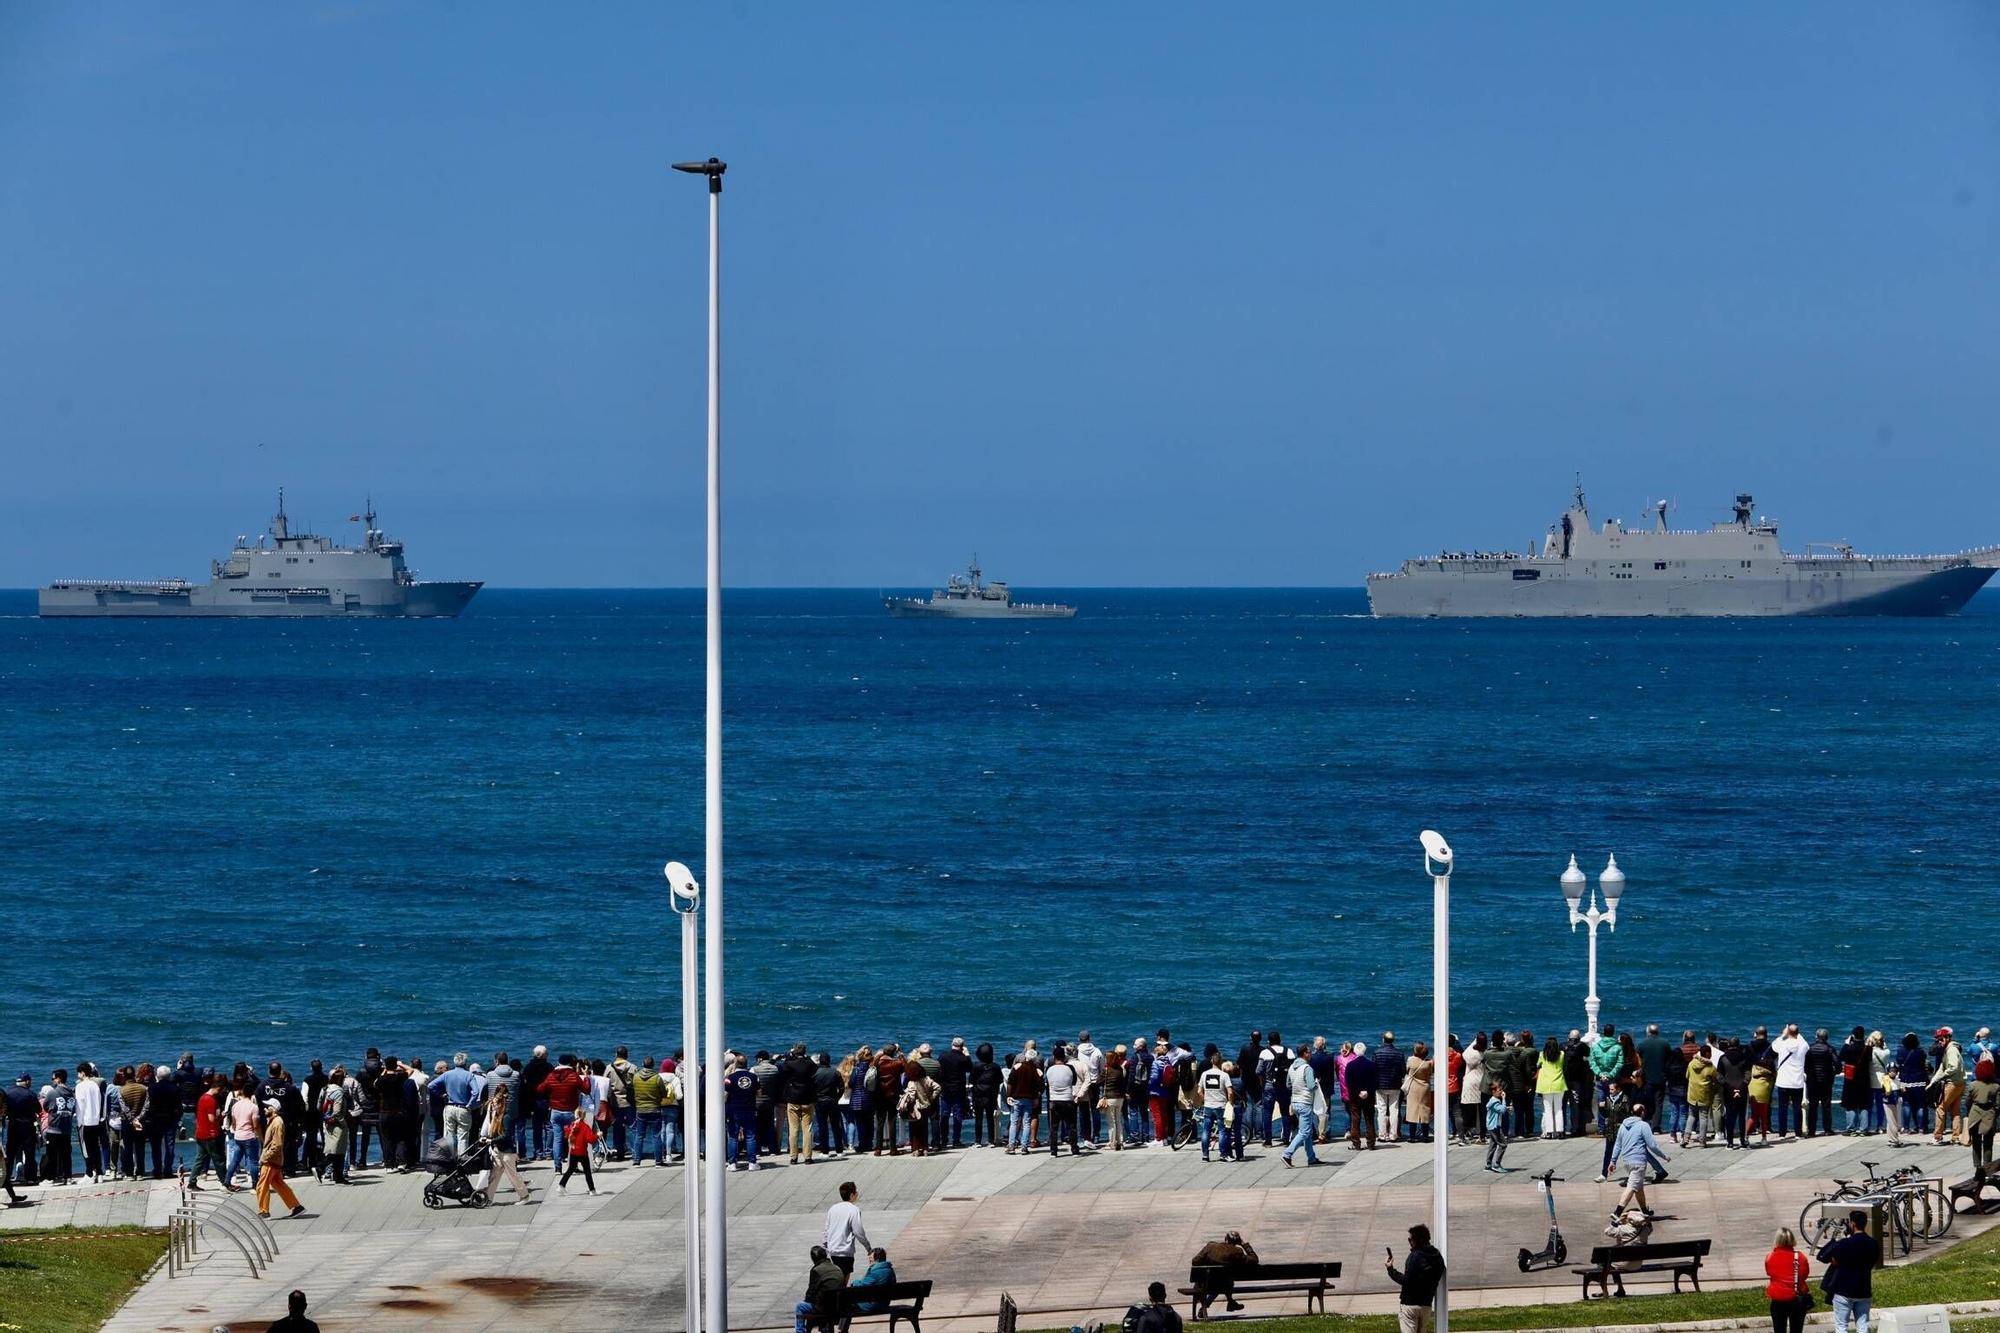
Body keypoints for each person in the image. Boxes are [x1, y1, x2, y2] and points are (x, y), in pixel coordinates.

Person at [1815, 1209, 1881, 1333]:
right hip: (1863, 1290)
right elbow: (1873, 1262)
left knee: (1841, 1326)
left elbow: (1830, 1259)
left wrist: (1837, 1240)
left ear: (1852, 1224)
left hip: (1843, 1291)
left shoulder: (1845, 1244)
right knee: (1863, 1325)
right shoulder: (1873, 1244)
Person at [1611, 1103, 1669, 1217]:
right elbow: (1652, 1145)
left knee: (1639, 1187)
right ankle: (1617, 1212)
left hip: (1627, 1161)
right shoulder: (1643, 1125)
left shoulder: (1623, 1125)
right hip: (1638, 1161)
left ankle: (1644, 1210)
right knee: (1632, 1187)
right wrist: (1663, 1156)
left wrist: (1613, 1161)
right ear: (1642, 1112)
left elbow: (1618, 1145)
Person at [1387, 1223, 1446, 1333]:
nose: (1409, 1242)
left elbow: (1406, 1281)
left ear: (1416, 1240)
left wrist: (1391, 1270)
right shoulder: (1436, 1255)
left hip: (1410, 1305)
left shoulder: (1414, 1256)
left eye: (1410, 1240)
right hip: (1426, 1305)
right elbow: (1440, 1271)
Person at [1189, 1230, 1258, 1318]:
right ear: (1237, 1242)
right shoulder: (1237, 1252)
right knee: (1222, 1281)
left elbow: (1195, 1261)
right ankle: (1230, 1302)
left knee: (1216, 1281)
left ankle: (1210, 1306)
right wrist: (1244, 1244)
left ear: (1225, 1239)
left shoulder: (1210, 1247)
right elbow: (1254, 1259)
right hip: (1225, 1285)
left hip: (1205, 1285)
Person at [256, 1100, 306, 1220]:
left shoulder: (277, 1122)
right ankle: (296, 1206)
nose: (264, 1109)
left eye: (267, 1107)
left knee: (262, 1185)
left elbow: (277, 1144)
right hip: (275, 1159)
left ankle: (264, 1211)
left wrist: (265, 1156)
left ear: (274, 1108)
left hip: (271, 1159)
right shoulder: (273, 1121)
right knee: (278, 1184)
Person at [483, 1085, 532, 1205]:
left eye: (494, 1104)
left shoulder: (506, 1117)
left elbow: (506, 1135)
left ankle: (524, 1196)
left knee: (512, 1175)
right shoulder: (499, 1117)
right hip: (499, 1150)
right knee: (494, 1175)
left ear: (500, 1104)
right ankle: (488, 1198)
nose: (493, 1107)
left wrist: (491, 1141)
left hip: (507, 1151)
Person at [1765, 1226, 1813, 1333]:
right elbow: (1805, 1274)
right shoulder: (1800, 1257)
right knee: (1797, 1329)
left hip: (1778, 1299)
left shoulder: (1770, 1257)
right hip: (1797, 1298)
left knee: (1779, 1329)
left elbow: (1769, 1272)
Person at [794, 1244, 845, 1333]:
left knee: (800, 1306)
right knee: (823, 1303)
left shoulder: (816, 1270)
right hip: (837, 1307)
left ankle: (800, 1331)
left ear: (813, 1259)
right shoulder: (837, 1268)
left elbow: (810, 1293)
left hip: (822, 1307)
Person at [823, 1180, 871, 1277]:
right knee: (844, 1278)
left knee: (837, 1276)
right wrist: (868, 1247)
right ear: (852, 1195)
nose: (857, 1194)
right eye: (856, 1192)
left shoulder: (833, 1208)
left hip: (833, 1250)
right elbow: (858, 1232)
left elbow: (826, 1229)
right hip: (845, 1251)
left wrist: (825, 1246)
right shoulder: (854, 1210)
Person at [1929, 1028, 1966, 1146]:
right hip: (1960, 1083)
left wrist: (1942, 1076)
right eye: (1938, 1040)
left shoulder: (1951, 1050)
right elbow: (1941, 1067)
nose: (1939, 1042)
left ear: (1948, 1038)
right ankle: (1955, 1137)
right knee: (1955, 1111)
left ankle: (1938, 1136)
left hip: (1952, 1084)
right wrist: (1933, 1081)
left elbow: (1952, 1067)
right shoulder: (1951, 1049)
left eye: (1941, 1039)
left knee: (1940, 1108)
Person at [1770, 1024, 1808, 1140]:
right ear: (1798, 1033)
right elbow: (1805, 1043)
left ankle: (1782, 1133)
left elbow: (1773, 1045)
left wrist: (1784, 1034)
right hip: (1797, 1081)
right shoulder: (1803, 1045)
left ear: (1788, 1033)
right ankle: (1798, 1133)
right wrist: (1795, 1032)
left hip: (1783, 1081)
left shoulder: (1782, 1044)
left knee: (1783, 1108)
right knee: (1797, 1108)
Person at [724, 1052, 761, 1170]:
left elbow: (725, 1095)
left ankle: (732, 1163)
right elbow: (759, 1092)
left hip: (734, 1109)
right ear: (746, 1064)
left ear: (736, 1064)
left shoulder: (730, 1078)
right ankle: (752, 1162)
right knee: (750, 1136)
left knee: (733, 1136)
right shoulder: (754, 1077)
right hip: (750, 1108)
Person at [1282, 1052, 1319, 1167]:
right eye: (1309, 1052)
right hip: (1305, 1102)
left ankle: (1311, 1157)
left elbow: (1288, 1085)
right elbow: (1311, 1086)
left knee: (1307, 1131)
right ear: (1305, 1054)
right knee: (1304, 1132)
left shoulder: (1292, 1068)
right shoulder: (1307, 1068)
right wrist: (1317, 1084)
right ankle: (1287, 1154)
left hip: (1295, 1102)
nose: (1311, 1053)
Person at [41, 1071, 76, 1186]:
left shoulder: (53, 1092)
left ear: (59, 1079)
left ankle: (50, 1178)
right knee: (66, 1155)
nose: (52, 1081)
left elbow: (45, 1107)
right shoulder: (71, 1092)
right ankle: (68, 1177)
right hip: (66, 1128)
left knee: (52, 1155)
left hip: (54, 1128)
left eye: (53, 1078)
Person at [74, 1062, 107, 1185]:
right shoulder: (95, 1085)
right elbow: (100, 1102)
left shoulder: (80, 1086)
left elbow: (80, 1106)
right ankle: (99, 1173)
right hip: (96, 1120)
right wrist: (100, 1117)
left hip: (85, 1122)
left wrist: (79, 1122)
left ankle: (89, 1173)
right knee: (96, 1148)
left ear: (82, 1073)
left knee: (87, 1149)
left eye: (78, 1072)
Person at [1966, 1057, 1997, 1180]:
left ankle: (1978, 1169)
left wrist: (1970, 1112)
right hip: (1989, 1115)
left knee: (1976, 1143)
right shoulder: (1996, 1086)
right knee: (1988, 1144)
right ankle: (1988, 1168)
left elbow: (1968, 1102)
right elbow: (1998, 1104)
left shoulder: (1973, 1085)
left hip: (1975, 1115)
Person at [316, 1068, 350, 1185]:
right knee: (338, 1151)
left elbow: (319, 1106)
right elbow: (337, 1112)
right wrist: (344, 1123)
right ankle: (320, 1167)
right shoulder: (339, 1092)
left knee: (335, 1150)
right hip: (337, 1124)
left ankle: (338, 1176)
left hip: (327, 1122)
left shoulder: (325, 1089)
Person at [1374, 1033, 1408, 1143]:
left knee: (1381, 1110)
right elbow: (1403, 1070)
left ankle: (1382, 1135)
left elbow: (1373, 1069)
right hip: (1395, 1085)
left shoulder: (1377, 1052)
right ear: (1393, 1040)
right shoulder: (1399, 1053)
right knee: (1394, 1110)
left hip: (1380, 1085)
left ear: (1383, 1039)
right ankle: (1394, 1135)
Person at [1345, 1041, 1378, 1150]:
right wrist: (1367, 1091)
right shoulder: (1372, 1064)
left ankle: (1356, 1143)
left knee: (1355, 1119)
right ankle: (1371, 1143)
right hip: (1369, 1096)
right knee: (1369, 1119)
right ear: (1365, 1051)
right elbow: (1375, 1081)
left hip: (1355, 1096)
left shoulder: (1350, 1065)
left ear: (1354, 1051)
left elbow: (1349, 1083)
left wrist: (1358, 1092)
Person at [1198, 1053, 1230, 1161]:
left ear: (1211, 1061)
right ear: (1220, 1062)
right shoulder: (1224, 1075)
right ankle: (1222, 1154)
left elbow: (1199, 1091)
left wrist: (1205, 1099)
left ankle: (1205, 1154)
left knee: (1206, 1131)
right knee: (1222, 1131)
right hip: (1221, 1105)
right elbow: (1230, 1092)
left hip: (1208, 1105)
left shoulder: (1204, 1074)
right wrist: (1230, 1102)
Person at [559, 1105, 598, 1194]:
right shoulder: (585, 1127)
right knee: (587, 1172)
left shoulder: (572, 1125)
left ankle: (561, 1185)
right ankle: (592, 1190)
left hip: (573, 1151)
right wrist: (598, 1135)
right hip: (583, 1152)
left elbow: (566, 1135)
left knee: (570, 1169)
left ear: (575, 1115)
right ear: (584, 1116)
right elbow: (590, 1140)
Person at [850, 1247, 897, 1313]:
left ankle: (839, 1322)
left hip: (873, 1305)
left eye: (870, 1259)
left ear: (877, 1259)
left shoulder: (876, 1273)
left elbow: (862, 1285)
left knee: (847, 1299)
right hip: (884, 1304)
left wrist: (854, 1282)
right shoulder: (890, 1271)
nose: (869, 1262)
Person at [1535, 1037, 1566, 1139]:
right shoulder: (1561, 1054)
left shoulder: (1542, 1055)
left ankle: (1549, 1132)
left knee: (1548, 1109)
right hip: (1559, 1083)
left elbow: (1538, 1065)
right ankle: (1560, 1131)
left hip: (1546, 1084)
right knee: (1558, 1109)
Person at [1405, 1043, 1435, 1143]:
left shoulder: (1410, 1060)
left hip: (1413, 1087)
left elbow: (1407, 1070)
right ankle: (1425, 1136)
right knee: (1424, 1111)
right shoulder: (1428, 1064)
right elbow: (1430, 1073)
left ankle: (1412, 1136)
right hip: (1424, 1087)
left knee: (1412, 1110)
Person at [1101, 1047, 1128, 1151]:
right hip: (1120, 1098)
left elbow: (1099, 1081)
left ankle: (1112, 1143)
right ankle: (1120, 1142)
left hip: (1110, 1097)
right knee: (1118, 1120)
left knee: (1111, 1122)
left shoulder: (1107, 1070)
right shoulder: (1121, 1069)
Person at [1483, 1083, 1510, 1172]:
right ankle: (1497, 1164)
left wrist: (1506, 1107)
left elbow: (1501, 1109)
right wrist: (1504, 1099)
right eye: (1499, 1090)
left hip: (1491, 1126)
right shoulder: (1495, 1102)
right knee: (1503, 1144)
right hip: (1495, 1127)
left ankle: (1488, 1164)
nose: (1501, 1092)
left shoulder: (1492, 1101)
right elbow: (1502, 1110)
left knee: (1493, 1145)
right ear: (1493, 1091)